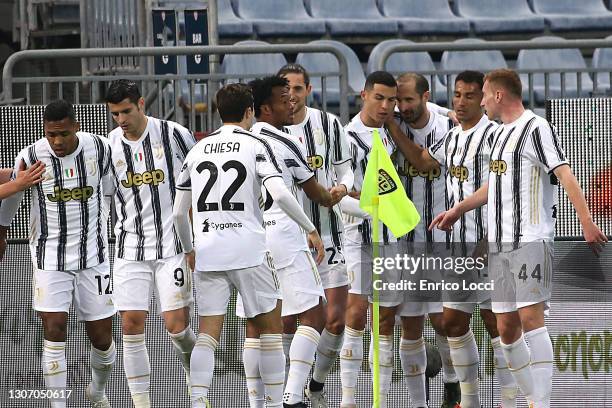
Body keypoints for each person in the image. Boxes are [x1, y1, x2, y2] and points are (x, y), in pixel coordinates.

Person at [431, 69, 608, 408]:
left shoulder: (536, 127)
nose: (480, 101)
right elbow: (492, 187)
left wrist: (585, 220)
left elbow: (564, 172)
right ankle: (530, 399)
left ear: (498, 96)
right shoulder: (497, 136)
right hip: (499, 247)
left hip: (530, 240)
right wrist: (458, 209)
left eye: (483, 94)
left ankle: (541, 404)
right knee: (507, 330)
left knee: (530, 320)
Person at [172, 83, 325, 408]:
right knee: (269, 330)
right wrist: (310, 228)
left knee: (208, 334)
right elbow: (282, 194)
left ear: (217, 111)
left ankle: (198, 401)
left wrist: (189, 249)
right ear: (249, 111)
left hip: (209, 249)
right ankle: (271, 403)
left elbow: (177, 213)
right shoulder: (255, 144)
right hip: (249, 250)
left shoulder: (198, 150)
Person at [391, 71, 517, 408]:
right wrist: (390, 125)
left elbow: (502, 190)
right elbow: (421, 159)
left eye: (470, 96)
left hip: (491, 244)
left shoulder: (495, 135)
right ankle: (470, 400)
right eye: (457, 95)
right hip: (458, 247)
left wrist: (488, 241)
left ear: (485, 98)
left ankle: (509, 400)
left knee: (497, 325)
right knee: (453, 322)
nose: (461, 102)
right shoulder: (454, 137)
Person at [0, 100, 116, 408]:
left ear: (76, 126)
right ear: (45, 131)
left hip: (94, 256)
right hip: (49, 257)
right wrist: (1, 229)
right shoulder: (31, 155)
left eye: (63, 133)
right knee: (54, 328)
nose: (57, 141)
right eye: (51, 134)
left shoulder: (101, 148)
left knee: (103, 340)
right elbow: (14, 195)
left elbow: (108, 189)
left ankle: (97, 391)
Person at [239, 75, 337, 408]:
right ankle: (294, 395)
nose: (291, 102)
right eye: (284, 98)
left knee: (258, 322)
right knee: (314, 315)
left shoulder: (240, 142)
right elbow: (316, 193)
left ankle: (258, 403)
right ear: (265, 108)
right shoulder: (283, 142)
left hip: (247, 238)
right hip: (282, 232)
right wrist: (333, 198)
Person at [104, 79, 197, 407]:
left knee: (176, 328)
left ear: (142, 104)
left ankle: (193, 372)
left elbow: (198, 181)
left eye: (126, 111)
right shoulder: (109, 146)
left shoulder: (174, 134)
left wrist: (195, 239)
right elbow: (105, 196)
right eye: (115, 114)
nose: (121, 119)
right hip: (129, 249)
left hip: (172, 246)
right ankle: (141, 403)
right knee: (130, 324)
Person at [278, 63, 354, 408]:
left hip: (329, 232)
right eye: (285, 89)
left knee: (334, 320)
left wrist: (342, 187)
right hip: (285, 240)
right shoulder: (268, 132)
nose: (290, 95)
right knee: (288, 321)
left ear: (308, 90)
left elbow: (345, 167)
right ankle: (290, 387)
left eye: (296, 88)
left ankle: (317, 385)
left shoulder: (328, 124)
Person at [385, 73, 459, 408]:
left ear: (426, 96)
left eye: (409, 100)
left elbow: (419, 160)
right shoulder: (390, 120)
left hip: (442, 235)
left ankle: (452, 381)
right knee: (410, 323)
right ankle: (418, 404)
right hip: (404, 240)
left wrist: (392, 126)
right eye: (398, 101)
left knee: (444, 320)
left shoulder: (445, 126)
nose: (402, 107)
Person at [339, 71, 400, 408]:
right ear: (363, 95)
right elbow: (340, 194)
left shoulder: (394, 131)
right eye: (379, 98)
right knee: (357, 311)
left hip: (392, 238)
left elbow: (425, 109)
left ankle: (382, 400)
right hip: (357, 237)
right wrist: (375, 211)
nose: (386, 105)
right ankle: (348, 399)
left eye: (391, 100)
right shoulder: (346, 138)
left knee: (386, 317)